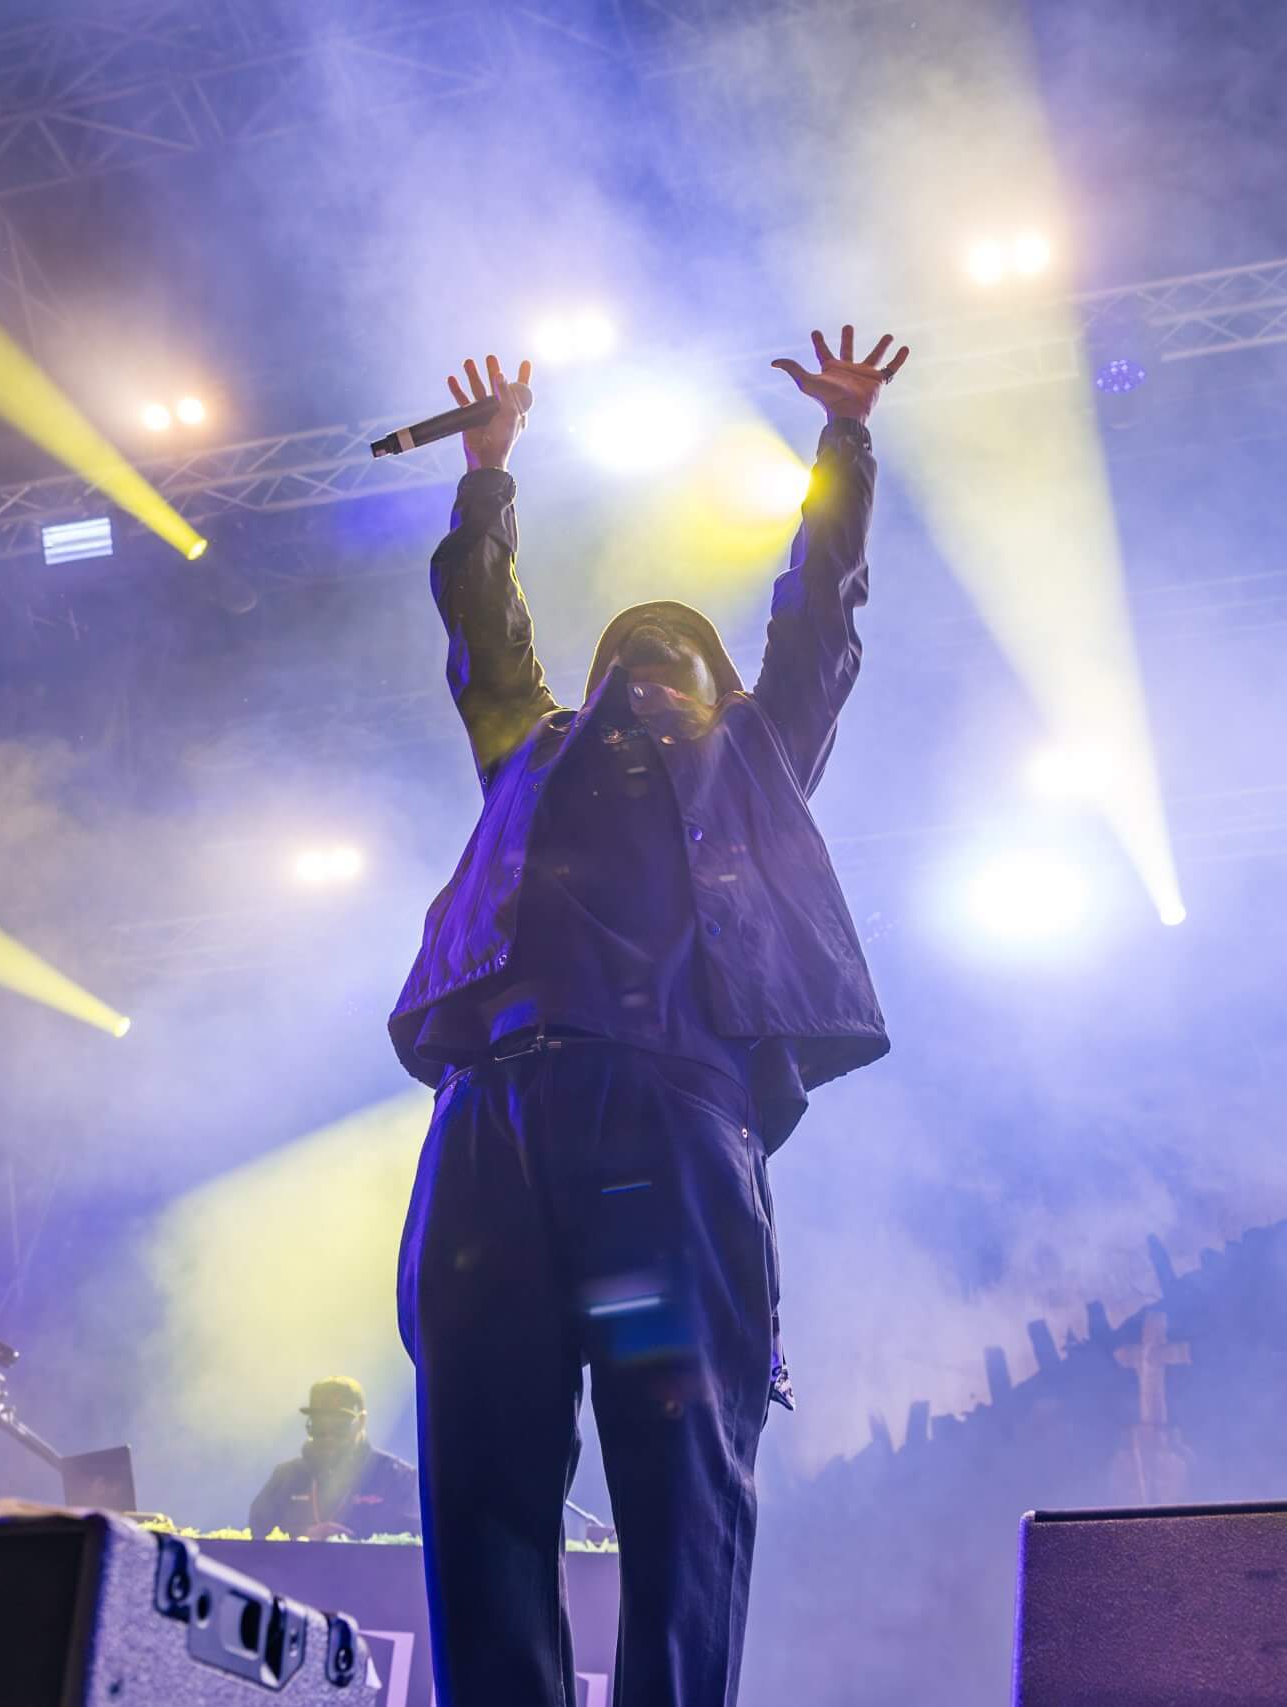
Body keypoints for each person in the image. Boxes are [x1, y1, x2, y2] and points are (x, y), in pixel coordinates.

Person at [389, 326, 907, 1705]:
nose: (649, 667)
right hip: (495, 1110)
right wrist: (488, 474)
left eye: (679, 654)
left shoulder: (759, 756)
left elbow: (820, 619)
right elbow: (484, 636)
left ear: (720, 688)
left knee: (682, 1473)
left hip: (672, 1113)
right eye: (628, 651)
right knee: (481, 1462)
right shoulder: (529, 750)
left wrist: (844, 443)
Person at [246, 1376, 420, 1540]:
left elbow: (414, 1541)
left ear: (361, 1422)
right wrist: (303, 1535)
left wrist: (350, 1545)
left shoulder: (398, 1478)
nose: (328, 1436)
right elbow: (257, 1532)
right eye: (319, 1426)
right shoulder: (285, 1476)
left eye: (339, 1426)